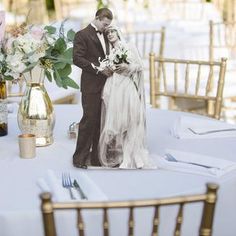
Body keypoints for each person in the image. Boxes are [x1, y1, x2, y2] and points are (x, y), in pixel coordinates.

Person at [98, 26, 156, 169]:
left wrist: (127, 67)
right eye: (107, 33)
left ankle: (134, 155)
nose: (110, 34)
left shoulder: (129, 46)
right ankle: (124, 156)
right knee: (120, 124)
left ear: (118, 33)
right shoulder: (110, 53)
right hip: (116, 89)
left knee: (132, 121)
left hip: (127, 88)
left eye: (112, 32)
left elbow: (139, 66)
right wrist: (108, 69)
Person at [73, 8, 113, 169]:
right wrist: (98, 68)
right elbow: (77, 58)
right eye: (104, 24)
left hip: (106, 85)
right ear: (97, 18)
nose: (106, 28)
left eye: (108, 25)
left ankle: (96, 157)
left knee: (99, 123)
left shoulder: (105, 35)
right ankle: (79, 158)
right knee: (88, 121)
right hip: (90, 85)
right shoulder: (82, 35)